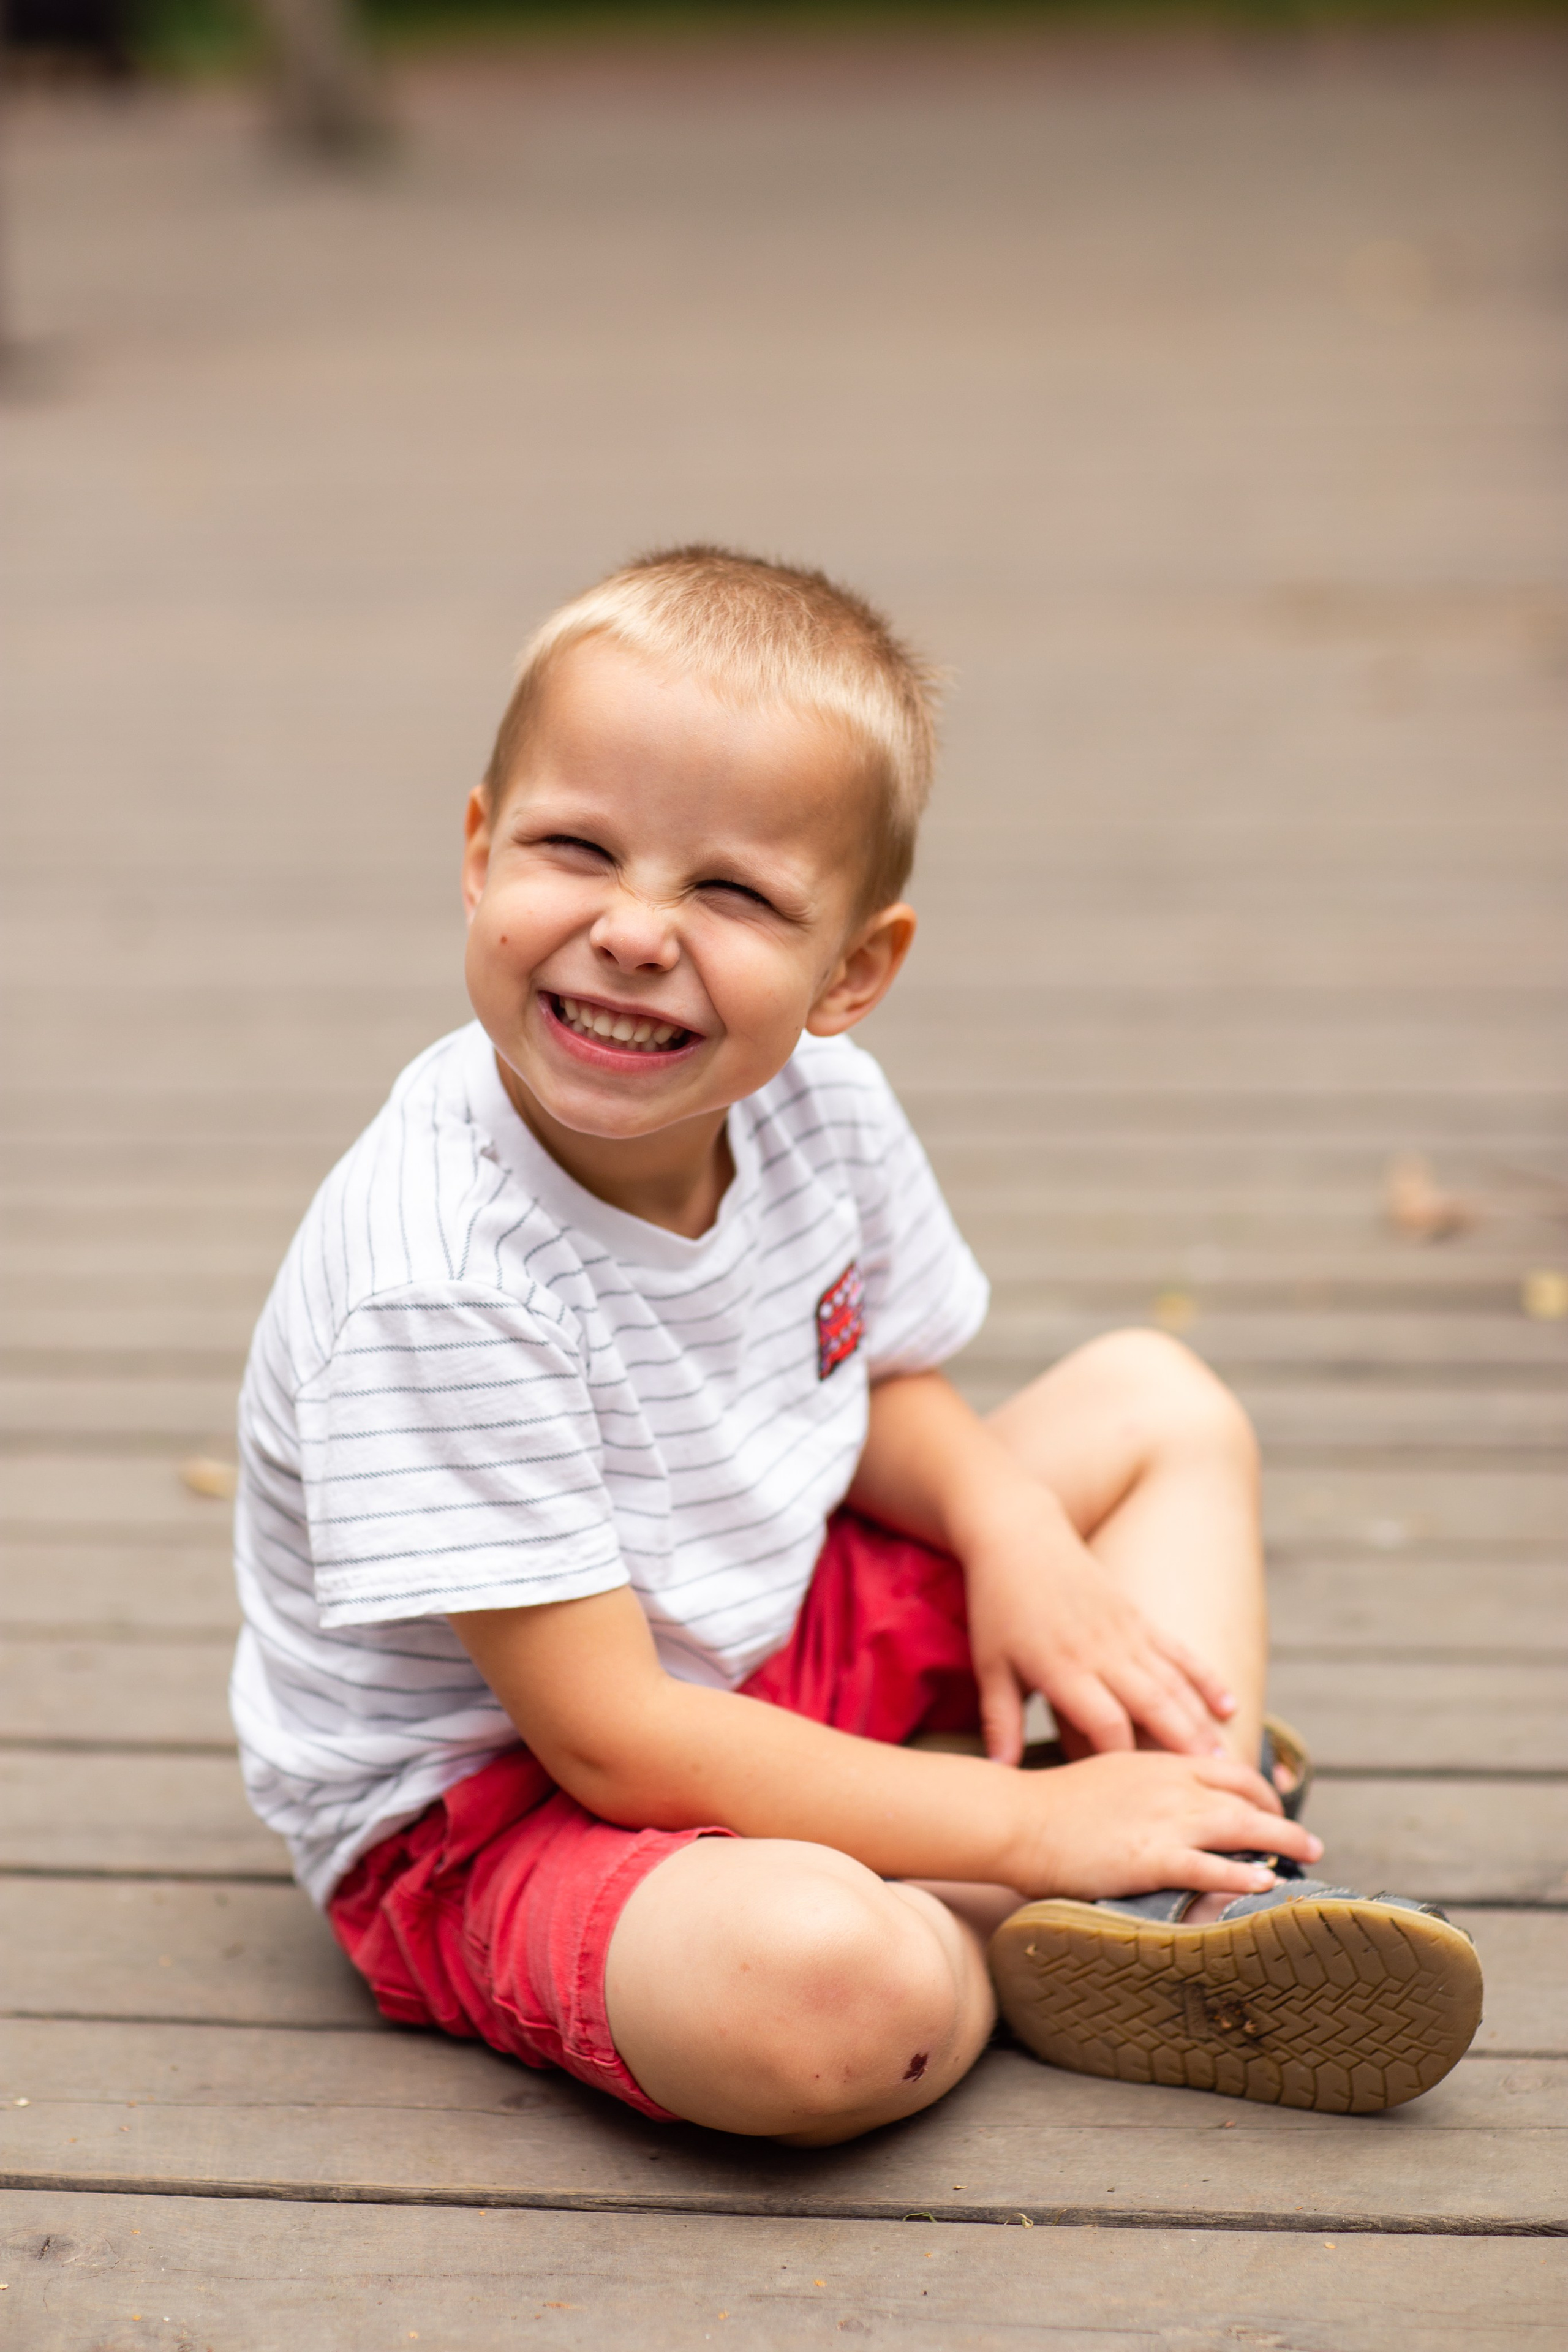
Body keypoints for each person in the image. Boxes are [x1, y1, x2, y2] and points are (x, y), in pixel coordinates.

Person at [231, 546, 1480, 2144]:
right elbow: (612, 1738)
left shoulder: (819, 1109)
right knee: (827, 1997)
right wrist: (1024, 1829)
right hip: (504, 1803)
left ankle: (1176, 1874)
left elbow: (869, 1376)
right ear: (479, 855)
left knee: (1156, 1404)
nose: (630, 929)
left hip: (757, 1622)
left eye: (732, 891)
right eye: (576, 849)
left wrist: (1005, 1521)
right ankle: (1041, 1892)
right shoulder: (443, 1271)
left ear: (855, 972)